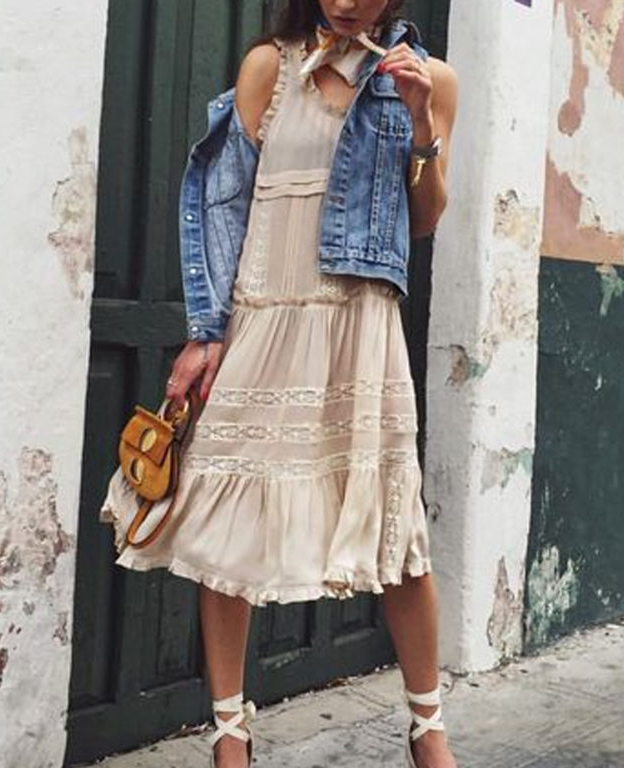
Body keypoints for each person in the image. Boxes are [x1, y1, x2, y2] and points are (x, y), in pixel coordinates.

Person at [100, 1, 458, 766]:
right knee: (230, 526)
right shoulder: (271, 66)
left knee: (395, 533)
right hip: (263, 316)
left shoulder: (429, 80)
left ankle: (428, 727)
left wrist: (421, 120)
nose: (344, 1)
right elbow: (223, 205)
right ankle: (230, 732)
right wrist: (206, 332)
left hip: (358, 327)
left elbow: (425, 219)